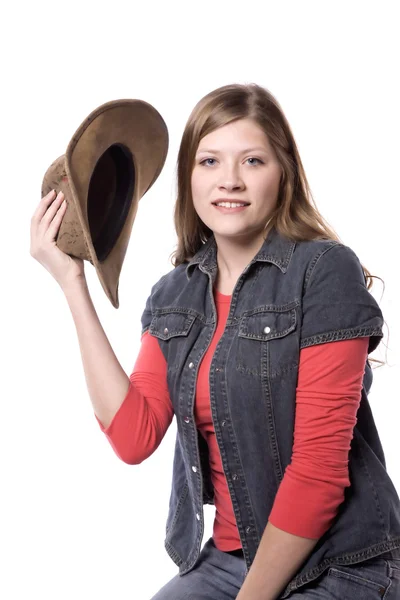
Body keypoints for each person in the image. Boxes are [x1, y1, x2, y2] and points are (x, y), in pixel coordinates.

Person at [30, 83, 400, 599]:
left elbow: (318, 473)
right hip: (228, 561)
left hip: (342, 563)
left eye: (252, 160)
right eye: (209, 161)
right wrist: (73, 284)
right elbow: (135, 436)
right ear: (188, 175)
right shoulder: (175, 295)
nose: (230, 180)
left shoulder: (323, 272)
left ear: (283, 172)